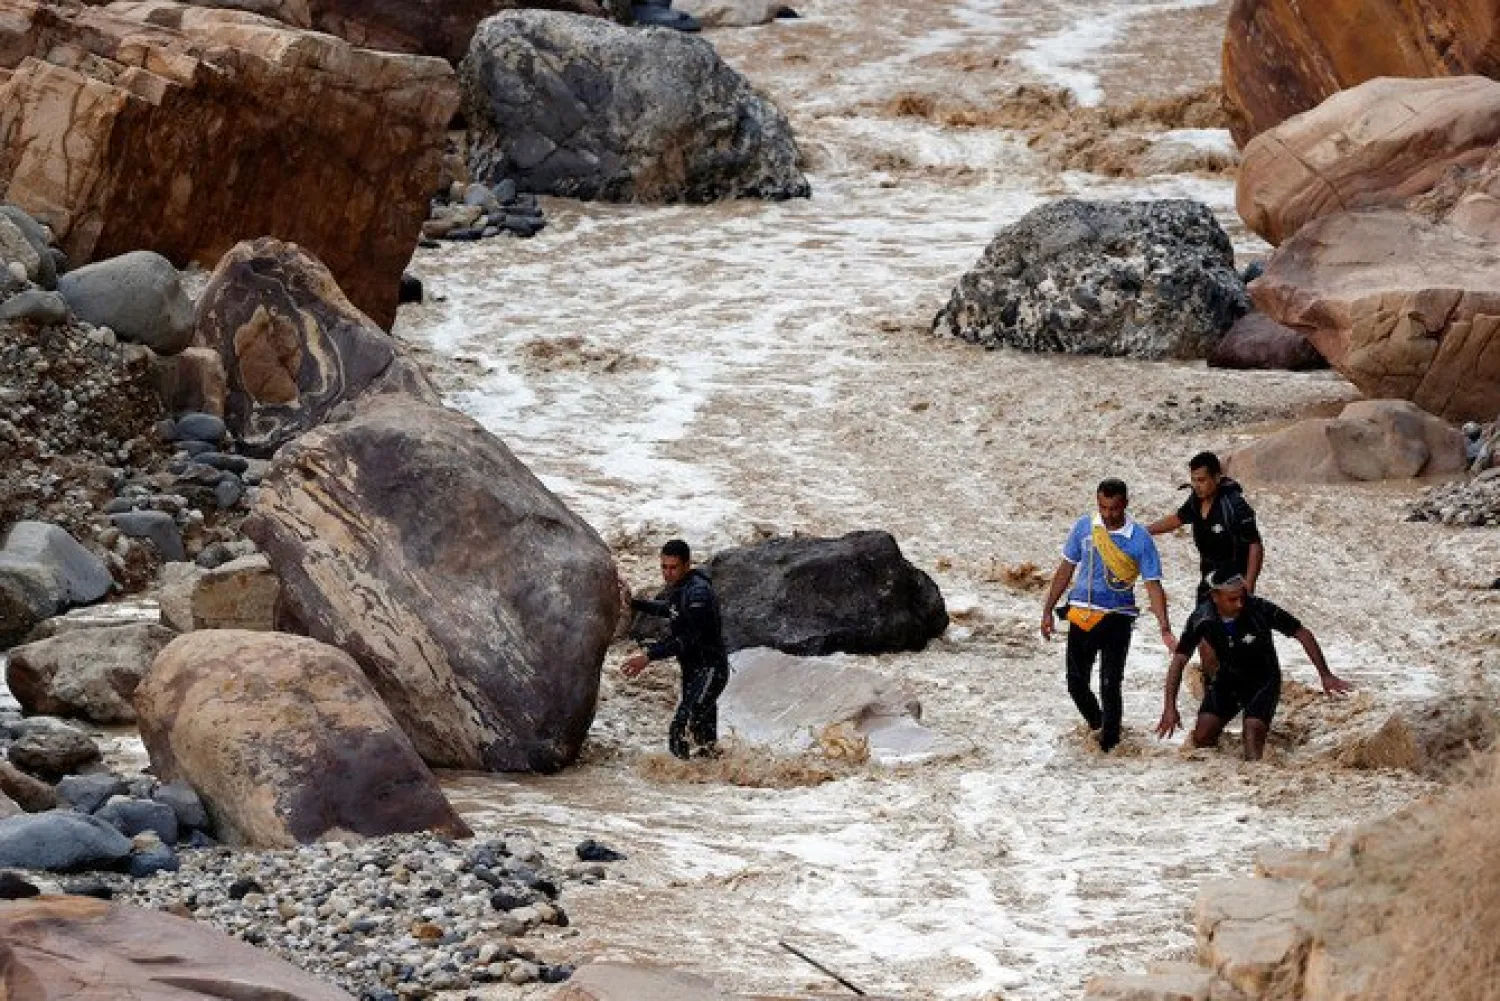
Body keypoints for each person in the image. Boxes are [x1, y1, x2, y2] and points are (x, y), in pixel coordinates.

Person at [1155, 571, 1352, 761]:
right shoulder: (1202, 618)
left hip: (1263, 680)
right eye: (1232, 599)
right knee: (1201, 738)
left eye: (1242, 597)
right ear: (1215, 596)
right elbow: (1179, 660)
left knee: (1252, 748)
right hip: (1228, 679)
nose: (1240, 604)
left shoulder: (1260, 608)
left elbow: (1302, 633)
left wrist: (1325, 675)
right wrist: (1169, 708)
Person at [1041, 478, 1175, 752]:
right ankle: (1098, 725)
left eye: (1114, 508)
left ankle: (1110, 745)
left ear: (1125, 503)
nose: (1109, 514)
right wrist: (1047, 610)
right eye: (1103, 508)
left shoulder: (1140, 539)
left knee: (1110, 682)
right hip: (1081, 613)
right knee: (1076, 684)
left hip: (1118, 616)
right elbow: (1066, 568)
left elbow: (1153, 585)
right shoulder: (1084, 527)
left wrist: (1164, 628)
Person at [1148, 451, 1264, 672]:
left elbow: (1255, 545)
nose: (1197, 485)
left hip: (1232, 584)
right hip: (1208, 583)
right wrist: (1145, 532)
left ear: (1216, 478)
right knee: (1203, 639)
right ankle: (1212, 693)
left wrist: (1249, 583)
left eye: (1201, 480)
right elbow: (1178, 519)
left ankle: (1241, 689)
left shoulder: (1235, 505)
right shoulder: (1196, 500)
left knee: (1234, 641)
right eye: (1193, 480)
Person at [621, 539, 730, 760]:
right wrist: (634, 603)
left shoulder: (699, 594)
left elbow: (687, 639)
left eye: (673, 567)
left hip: (710, 669)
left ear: (687, 565)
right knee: (703, 738)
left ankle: (680, 783)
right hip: (693, 669)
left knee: (681, 727)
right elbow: (670, 609)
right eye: (664, 567)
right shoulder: (681, 587)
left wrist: (648, 656)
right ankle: (713, 783)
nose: (667, 573)